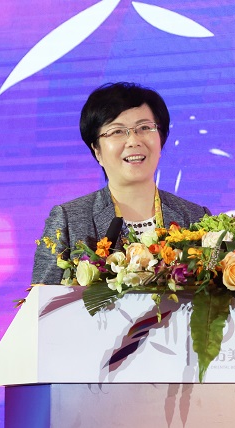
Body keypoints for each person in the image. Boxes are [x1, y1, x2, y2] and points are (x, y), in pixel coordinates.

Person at [31, 82, 211, 285]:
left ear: (161, 140)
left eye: (144, 128)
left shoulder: (196, 218)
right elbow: (41, 300)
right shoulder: (68, 221)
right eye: (117, 131)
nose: (133, 141)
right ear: (97, 150)